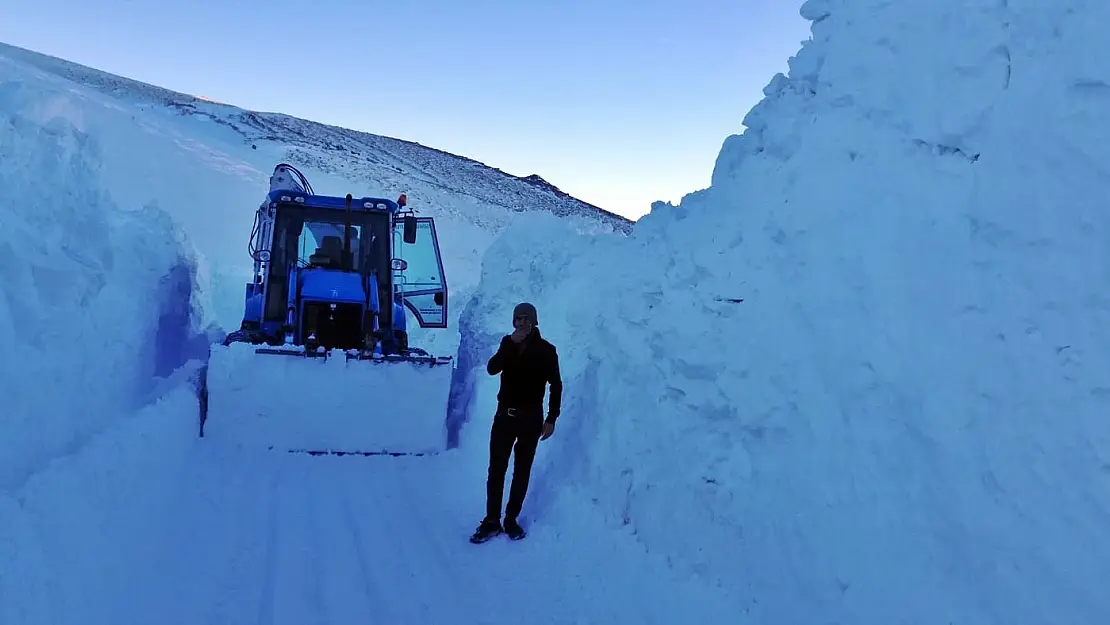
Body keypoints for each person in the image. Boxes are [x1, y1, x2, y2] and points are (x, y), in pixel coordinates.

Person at [470, 302, 562, 543]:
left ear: (534, 321)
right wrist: (510, 345)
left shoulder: (546, 350)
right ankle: (491, 521)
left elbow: (556, 385)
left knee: (522, 470)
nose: (520, 323)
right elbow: (492, 369)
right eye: (517, 319)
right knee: (496, 470)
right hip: (504, 417)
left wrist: (552, 418)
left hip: (531, 419)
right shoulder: (506, 344)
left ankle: (511, 519)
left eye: (525, 319)